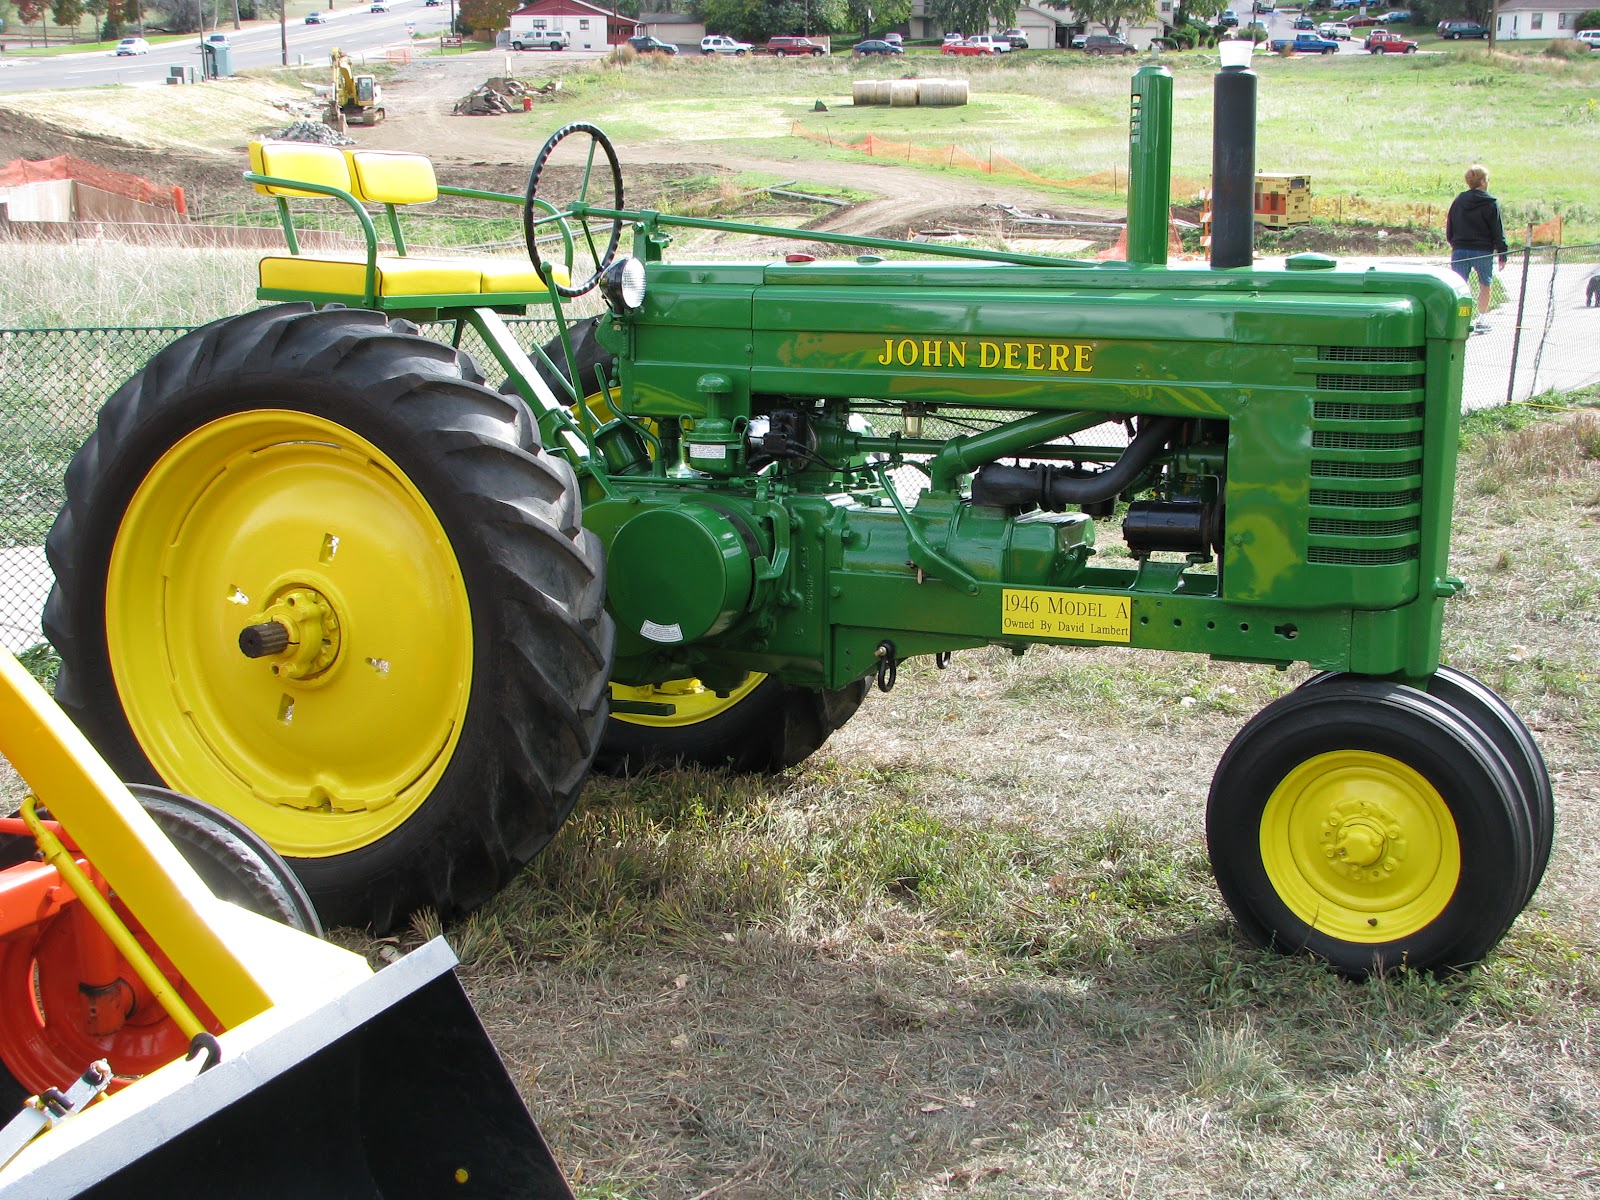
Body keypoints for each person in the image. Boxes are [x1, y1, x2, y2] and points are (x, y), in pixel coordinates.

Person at [1445, 164, 1509, 334]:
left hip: (1460, 249)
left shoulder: (1458, 201)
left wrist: (1454, 243)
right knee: (1485, 284)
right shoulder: (1490, 203)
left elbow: (1450, 225)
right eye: (1487, 179)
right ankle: (1481, 320)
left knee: (1459, 286)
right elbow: (1497, 230)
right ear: (1482, 181)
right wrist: (1502, 252)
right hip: (1482, 250)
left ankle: (1459, 320)